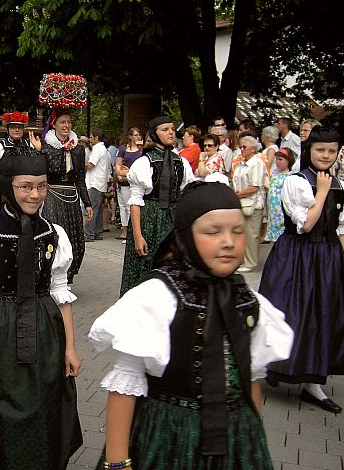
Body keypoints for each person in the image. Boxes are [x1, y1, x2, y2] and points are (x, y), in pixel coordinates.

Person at [89, 181, 293, 470]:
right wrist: (117, 463)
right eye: (213, 232)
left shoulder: (248, 300)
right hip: (170, 437)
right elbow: (125, 384)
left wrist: (253, 442)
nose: (228, 241)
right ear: (185, 238)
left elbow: (252, 378)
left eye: (237, 230)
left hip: (236, 436)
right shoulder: (157, 298)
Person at [0, 152, 82, 469]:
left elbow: (60, 292)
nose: (35, 195)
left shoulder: (54, 233)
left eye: (41, 187)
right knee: (1, 401)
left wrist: (70, 347)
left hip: (45, 329)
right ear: (9, 186)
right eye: (26, 187)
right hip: (0, 328)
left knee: (45, 400)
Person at [259, 126, 344, 413]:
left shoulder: (341, 184)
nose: (326, 155)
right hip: (296, 255)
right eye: (321, 150)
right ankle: (269, 366)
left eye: (332, 150)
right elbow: (306, 225)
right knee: (289, 312)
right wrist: (320, 192)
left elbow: (341, 229)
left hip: (327, 258)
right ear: (309, 151)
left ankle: (312, 383)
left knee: (322, 315)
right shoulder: (296, 182)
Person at [119, 116, 194, 295]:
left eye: (172, 129)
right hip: (149, 219)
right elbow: (135, 201)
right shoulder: (144, 162)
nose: (171, 132)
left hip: (173, 219)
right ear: (154, 133)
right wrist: (137, 235)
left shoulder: (180, 162)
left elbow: (186, 194)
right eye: (165, 129)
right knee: (145, 266)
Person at [39, 110, 93, 284]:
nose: (66, 126)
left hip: (71, 196)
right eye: (62, 122)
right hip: (52, 195)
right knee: (55, 235)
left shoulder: (78, 149)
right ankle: (50, 277)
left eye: (68, 122)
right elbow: (48, 170)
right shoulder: (45, 146)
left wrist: (87, 203)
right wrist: (50, 151)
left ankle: (67, 277)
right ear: (54, 124)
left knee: (75, 238)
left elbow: (80, 178)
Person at [0, 111, 38, 210]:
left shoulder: (30, 145)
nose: (17, 130)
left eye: (19, 127)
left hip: (26, 195)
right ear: (7, 129)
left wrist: (38, 150)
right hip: (4, 195)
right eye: (13, 127)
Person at [233, 136, 267, 272]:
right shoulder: (242, 163)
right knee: (242, 233)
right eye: (240, 147)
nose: (241, 149)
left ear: (253, 149)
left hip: (253, 204)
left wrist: (238, 194)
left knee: (251, 234)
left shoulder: (257, 163)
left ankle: (250, 262)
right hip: (241, 201)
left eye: (244, 147)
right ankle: (243, 259)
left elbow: (255, 186)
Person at [115, 129, 143, 241]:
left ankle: (133, 232)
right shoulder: (123, 149)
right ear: (130, 136)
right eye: (136, 135)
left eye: (139, 135)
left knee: (131, 207)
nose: (138, 137)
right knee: (123, 207)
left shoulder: (142, 150)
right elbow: (117, 164)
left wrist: (129, 171)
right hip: (124, 181)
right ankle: (125, 230)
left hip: (135, 181)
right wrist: (119, 175)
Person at [264, 148, 295, 243]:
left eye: (280, 159)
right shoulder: (275, 176)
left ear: (288, 161)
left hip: (282, 214)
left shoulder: (290, 177)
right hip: (273, 214)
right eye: (276, 159)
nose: (277, 162)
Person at [84, 128, 110, 242]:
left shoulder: (97, 148)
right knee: (98, 209)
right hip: (100, 183)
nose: (89, 139)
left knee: (92, 208)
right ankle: (97, 232)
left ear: (96, 138)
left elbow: (90, 165)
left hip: (94, 182)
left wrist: (79, 162)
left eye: (91, 137)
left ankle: (89, 233)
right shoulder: (104, 149)